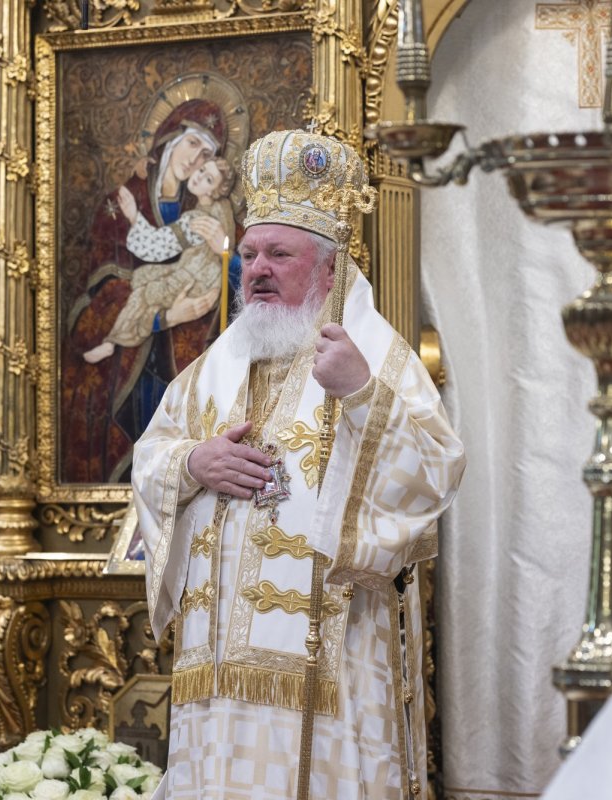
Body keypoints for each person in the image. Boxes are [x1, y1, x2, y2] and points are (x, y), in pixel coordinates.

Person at [133, 130, 465, 799]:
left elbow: (434, 470)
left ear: (328, 271)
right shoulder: (209, 372)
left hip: (326, 666)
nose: (256, 268)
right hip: (214, 674)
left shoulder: (375, 357)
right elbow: (152, 456)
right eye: (249, 253)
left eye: (278, 254)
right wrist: (193, 461)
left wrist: (360, 393)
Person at [64, 99, 231, 482]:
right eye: (192, 144)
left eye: (206, 155)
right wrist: (168, 316)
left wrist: (226, 252)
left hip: (181, 361)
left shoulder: (205, 210)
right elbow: (100, 292)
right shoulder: (119, 204)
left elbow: (232, 276)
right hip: (128, 367)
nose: (195, 160)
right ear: (169, 139)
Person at [84, 157, 237, 364]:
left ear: (214, 191)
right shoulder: (223, 208)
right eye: (201, 170)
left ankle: (112, 341)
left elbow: (155, 248)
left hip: (195, 279)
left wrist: (133, 216)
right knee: (141, 276)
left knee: (144, 293)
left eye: (208, 179)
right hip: (203, 275)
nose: (199, 177)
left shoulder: (196, 220)